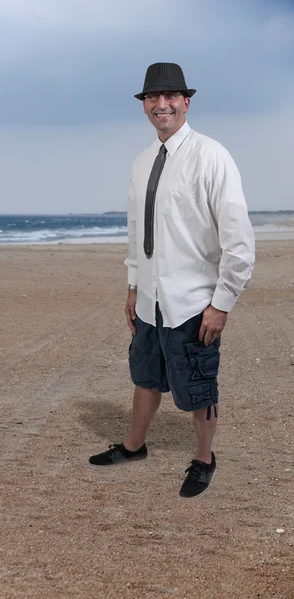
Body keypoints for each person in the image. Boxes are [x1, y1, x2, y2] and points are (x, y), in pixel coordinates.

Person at [89, 63, 255, 499]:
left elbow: (238, 238)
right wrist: (132, 285)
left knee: (198, 386)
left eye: (170, 97)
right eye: (152, 98)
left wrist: (222, 303)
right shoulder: (142, 161)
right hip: (149, 299)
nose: (161, 104)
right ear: (144, 105)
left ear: (186, 101)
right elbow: (137, 230)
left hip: (193, 302)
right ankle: (133, 446)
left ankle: (204, 459)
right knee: (145, 376)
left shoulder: (211, 155)